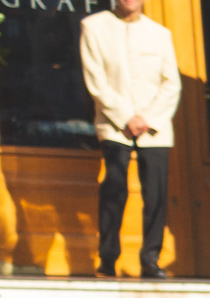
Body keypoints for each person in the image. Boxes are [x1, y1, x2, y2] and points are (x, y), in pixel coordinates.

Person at [79, 0, 181, 278]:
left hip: (154, 126)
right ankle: (108, 257)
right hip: (115, 124)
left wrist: (148, 118)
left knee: (156, 193)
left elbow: (171, 83)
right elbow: (96, 80)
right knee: (113, 189)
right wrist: (125, 117)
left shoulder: (160, 34)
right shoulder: (94, 27)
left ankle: (150, 259)